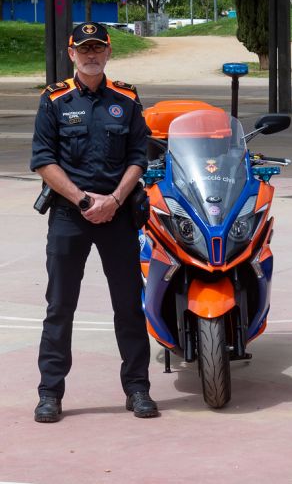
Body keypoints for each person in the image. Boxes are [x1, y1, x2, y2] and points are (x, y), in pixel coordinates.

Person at [29, 22, 158, 423]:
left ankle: (137, 389)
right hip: (71, 216)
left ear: (108, 52)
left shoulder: (127, 97)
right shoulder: (54, 100)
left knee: (128, 308)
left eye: (98, 48)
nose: (91, 55)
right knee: (60, 307)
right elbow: (43, 161)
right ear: (71, 54)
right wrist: (85, 200)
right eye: (83, 49)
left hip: (118, 216)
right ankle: (50, 393)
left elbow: (140, 155)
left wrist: (116, 199)